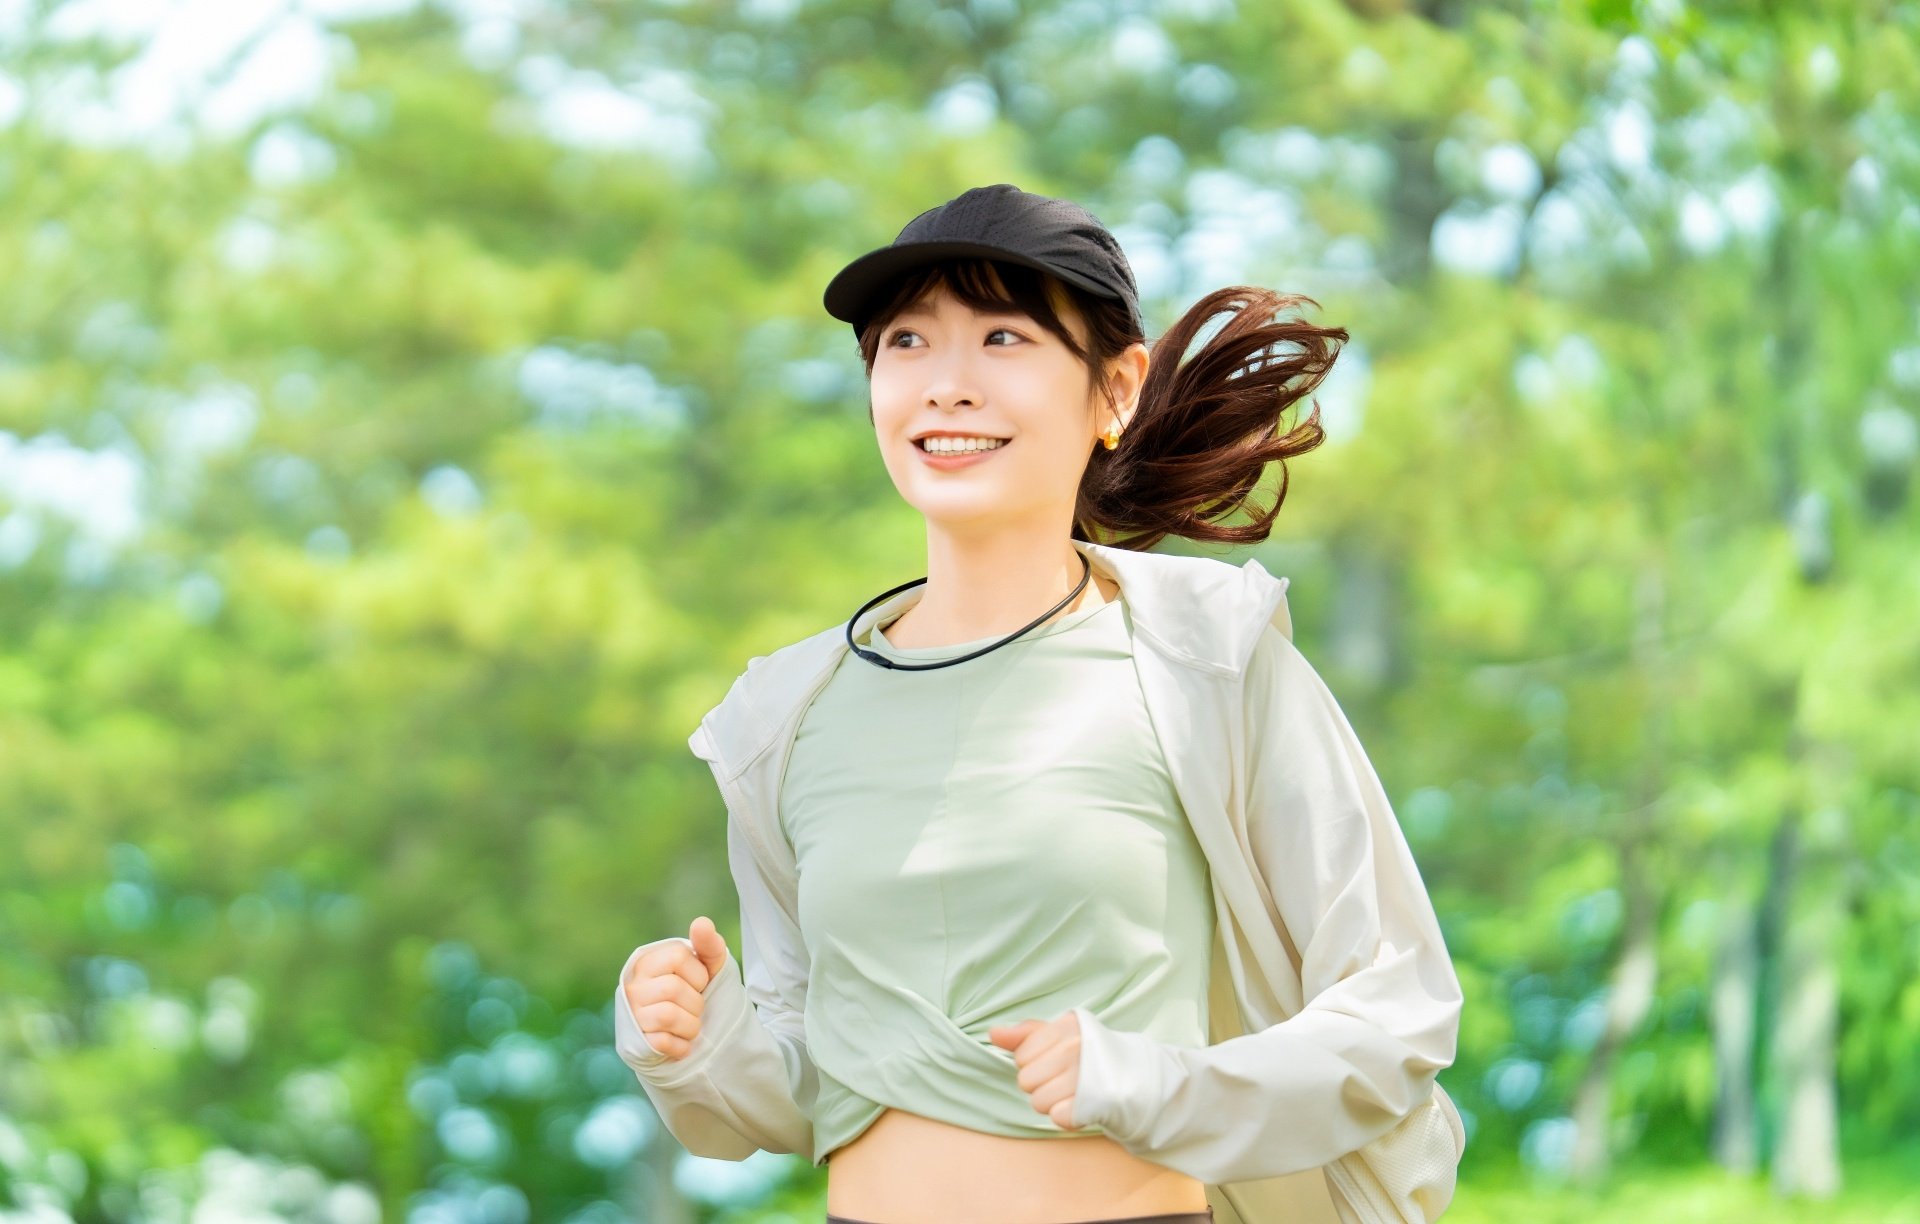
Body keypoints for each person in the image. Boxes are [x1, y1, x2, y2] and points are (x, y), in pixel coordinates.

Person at [614, 183, 1466, 1224]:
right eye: (908, 344)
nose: (947, 386)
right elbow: (817, 1082)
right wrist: (700, 1040)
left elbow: (1397, 1007)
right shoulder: (785, 716)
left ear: (1116, 390)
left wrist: (1158, 1087)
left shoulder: (1205, 663)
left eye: (1004, 338)